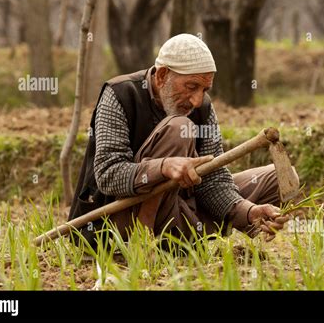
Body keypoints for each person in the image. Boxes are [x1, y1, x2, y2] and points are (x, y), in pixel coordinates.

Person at [68, 33, 297, 247]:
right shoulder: (120, 94)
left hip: (177, 208)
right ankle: (141, 244)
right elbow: (108, 175)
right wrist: (164, 167)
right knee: (180, 128)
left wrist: (248, 212)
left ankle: (181, 238)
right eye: (191, 87)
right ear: (162, 75)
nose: (197, 100)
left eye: (205, 89)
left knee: (273, 178)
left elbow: (213, 179)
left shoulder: (203, 107)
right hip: (115, 220)